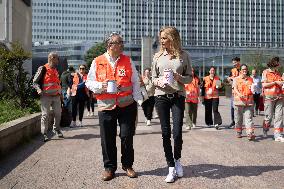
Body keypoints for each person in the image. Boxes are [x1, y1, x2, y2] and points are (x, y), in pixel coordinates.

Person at [85, 32, 143, 181]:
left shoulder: (127, 61)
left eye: (122, 42)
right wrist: (100, 85)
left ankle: (127, 165)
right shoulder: (97, 61)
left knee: (126, 136)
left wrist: (138, 99)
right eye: (119, 42)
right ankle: (109, 168)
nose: (122, 44)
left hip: (126, 105)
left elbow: (135, 81)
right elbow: (89, 82)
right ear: (110, 45)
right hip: (106, 105)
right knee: (107, 138)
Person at [151, 26, 192, 183]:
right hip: (161, 96)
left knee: (177, 133)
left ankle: (177, 160)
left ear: (173, 38)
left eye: (164, 38)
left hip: (178, 96)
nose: (161, 41)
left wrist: (179, 77)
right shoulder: (157, 56)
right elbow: (152, 78)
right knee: (165, 132)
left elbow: (190, 78)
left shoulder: (184, 56)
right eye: (161, 38)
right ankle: (170, 167)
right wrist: (158, 81)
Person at [33, 52, 64, 142]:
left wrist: (61, 94)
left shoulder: (55, 70)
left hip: (56, 96)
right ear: (52, 58)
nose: (58, 60)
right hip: (45, 96)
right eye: (57, 58)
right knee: (45, 115)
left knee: (58, 114)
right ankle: (44, 133)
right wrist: (39, 90)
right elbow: (34, 82)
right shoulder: (42, 68)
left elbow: (57, 83)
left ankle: (56, 129)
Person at [261, 57, 284, 142]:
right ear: (275, 63)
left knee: (279, 116)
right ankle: (265, 128)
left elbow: (281, 83)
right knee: (269, 117)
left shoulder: (278, 73)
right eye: (279, 63)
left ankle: (278, 135)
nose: (280, 65)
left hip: (279, 97)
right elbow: (264, 85)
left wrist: (282, 82)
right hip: (269, 97)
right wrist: (275, 82)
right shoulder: (265, 72)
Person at [233, 64, 255, 140]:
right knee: (239, 118)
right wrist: (239, 94)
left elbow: (252, 89)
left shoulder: (250, 79)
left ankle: (249, 133)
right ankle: (239, 131)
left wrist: (253, 90)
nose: (244, 70)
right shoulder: (236, 79)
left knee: (249, 118)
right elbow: (234, 89)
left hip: (248, 102)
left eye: (245, 69)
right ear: (240, 71)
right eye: (243, 69)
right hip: (239, 102)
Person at [227, 57, 241, 128]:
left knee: (240, 108)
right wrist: (230, 81)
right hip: (234, 92)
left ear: (239, 62)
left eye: (235, 62)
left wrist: (235, 79)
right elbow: (229, 79)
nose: (234, 64)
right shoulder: (232, 70)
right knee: (232, 107)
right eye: (233, 63)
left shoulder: (243, 69)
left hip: (242, 92)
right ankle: (233, 121)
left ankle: (239, 122)